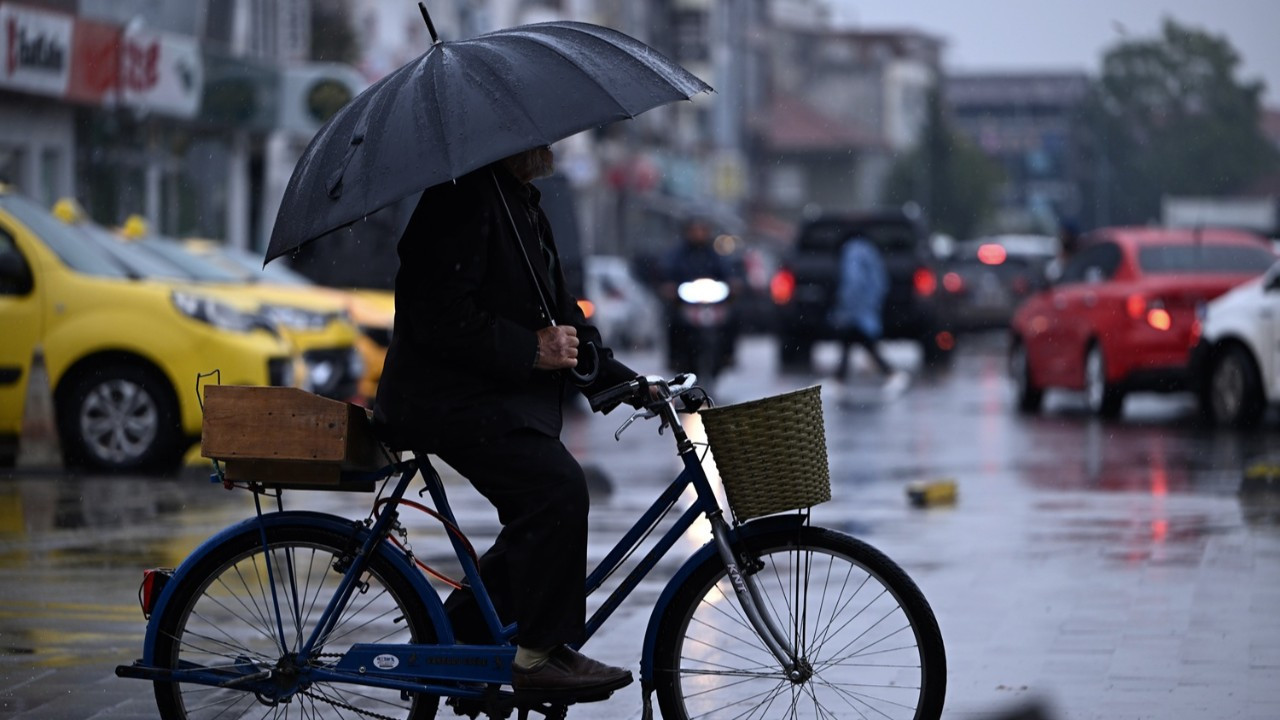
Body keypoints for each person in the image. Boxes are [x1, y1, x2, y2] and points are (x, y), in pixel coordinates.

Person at [373, 144, 637, 699]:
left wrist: (626, 383)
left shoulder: (519, 203)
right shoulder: (460, 200)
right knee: (556, 492)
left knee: (536, 515)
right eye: (539, 138)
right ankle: (539, 654)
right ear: (510, 140)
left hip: (486, 398)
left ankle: (462, 638)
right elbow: (438, 317)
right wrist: (529, 350)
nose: (551, 147)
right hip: (444, 400)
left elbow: (561, 315)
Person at [830, 237, 908, 396]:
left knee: (857, 340)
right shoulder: (868, 252)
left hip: (857, 310)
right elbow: (880, 283)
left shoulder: (852, 253)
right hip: (866, 308)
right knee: (853, 342)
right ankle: (839, 378)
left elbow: (853, 281)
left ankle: (890, 373)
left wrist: (846, 305)